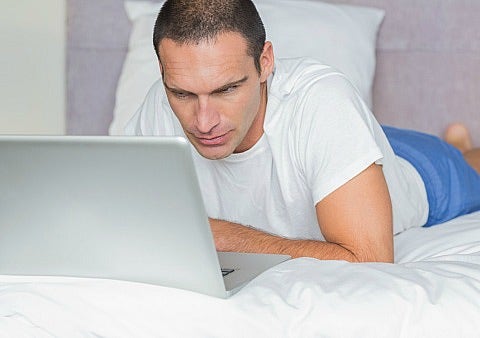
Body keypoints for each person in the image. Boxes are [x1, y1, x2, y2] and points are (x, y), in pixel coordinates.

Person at [125, 0, 480, 263]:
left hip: (421, 173)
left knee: (467, 164)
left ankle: (460, 147)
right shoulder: (160, 103)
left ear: (265, 62)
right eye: (183, 94)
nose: (203, 123)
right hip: (335, 147)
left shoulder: (322, 101)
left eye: (227, 89)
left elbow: (370, 260)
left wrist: (223, 238)